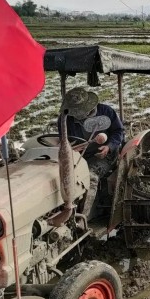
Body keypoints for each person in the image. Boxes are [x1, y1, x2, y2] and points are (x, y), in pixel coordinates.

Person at [59, 87, 125, 219]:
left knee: (90, 176)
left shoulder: (105, 112)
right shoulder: (66, 119)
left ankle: (84, 217)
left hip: (105, 153)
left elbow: (119, 132)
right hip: (79, 155)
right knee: (60, 177)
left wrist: (109, 147)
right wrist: (72, 148)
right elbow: (64, 139)